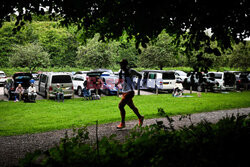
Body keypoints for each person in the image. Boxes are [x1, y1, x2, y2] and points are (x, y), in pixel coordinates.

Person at [115, 59, 144, 129]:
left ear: (125, 65)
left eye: (122, 64)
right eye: (120, 64)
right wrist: (117, 83)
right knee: (132, 107)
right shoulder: (120, 71)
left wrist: (137, 84)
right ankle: (140, 117)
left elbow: (140, 75)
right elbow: (120, 79)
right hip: (124, 91)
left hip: (130, 91)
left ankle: (122, 123)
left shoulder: (131, 71)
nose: (121, 65)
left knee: (120, 106)